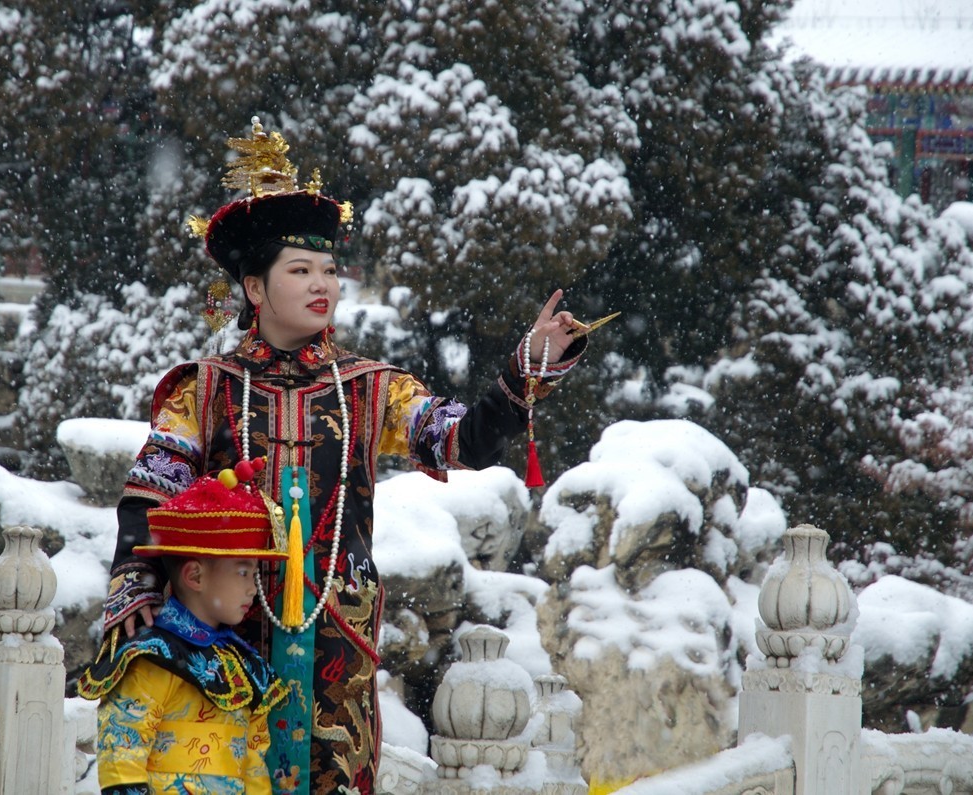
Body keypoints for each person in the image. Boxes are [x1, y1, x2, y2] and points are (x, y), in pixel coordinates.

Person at [99, 117, 600, 794]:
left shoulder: (370, 387)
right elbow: (149, 497)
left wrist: (525, 370)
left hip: (337, 642)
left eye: (330, 270)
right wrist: (133, 585)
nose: (322, 285)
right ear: (254, 287)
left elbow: (457, 437)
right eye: (299, 269)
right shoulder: (207, 388)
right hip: (228, 629)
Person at [77, 472, 290, 794]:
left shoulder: (244, 666)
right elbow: (122, 749)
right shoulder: (152, 658)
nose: (252, 588)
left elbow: (254, 762)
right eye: (244, 572)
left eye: (255, 573)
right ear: (195, 576)